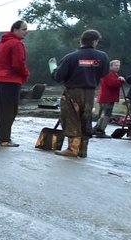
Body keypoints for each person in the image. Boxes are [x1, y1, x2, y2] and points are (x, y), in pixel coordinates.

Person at [51, 29, 109, 158]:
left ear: (81, 41)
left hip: (73, 92)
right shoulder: (103, 57)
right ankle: (83, 149)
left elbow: (59, 76)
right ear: (94, 41)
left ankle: (72, 148)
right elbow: (104, 73)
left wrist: (53, 70)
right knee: (85, 119)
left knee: (71, 118)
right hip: (90, 92)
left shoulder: (71, 57)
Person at [0, 20, 30, 147]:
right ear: (16, 29)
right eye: (24, 29)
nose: (26, 32)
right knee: (8, 110)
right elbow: (18, 63)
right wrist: (25, 74)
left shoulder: (1, 43)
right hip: (11, 80)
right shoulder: (17, 44)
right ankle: (4, 139)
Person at [92, 60, 124, 137]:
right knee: (106, 115)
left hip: (107, 97)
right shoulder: (109, 74)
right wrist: (121, 81)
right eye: (116, 65)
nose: (117, 67)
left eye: (118, 66)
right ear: (111, 66)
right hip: (107, 98)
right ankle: (100, 131)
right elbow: (112, 84)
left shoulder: (113, 74)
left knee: (103, 114)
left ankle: (96, 129)